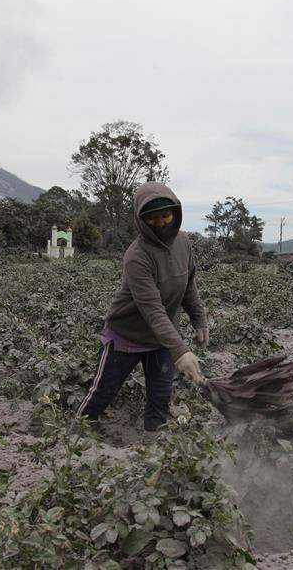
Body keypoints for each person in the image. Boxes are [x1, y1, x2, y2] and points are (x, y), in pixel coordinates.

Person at [73, 181, 209, 433]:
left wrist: (199, 319)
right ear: (140, 219)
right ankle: (71, 441)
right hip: (128, 335)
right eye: (152, 219)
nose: (160, 223)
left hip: (161, 340)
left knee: (160, 399)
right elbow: (153, 309)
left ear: (176, 213)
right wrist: (180, 351)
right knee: (101, 394)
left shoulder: (184, 243)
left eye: (166, 215)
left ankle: (152, 447)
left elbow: (188, 285)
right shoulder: (137, 256)